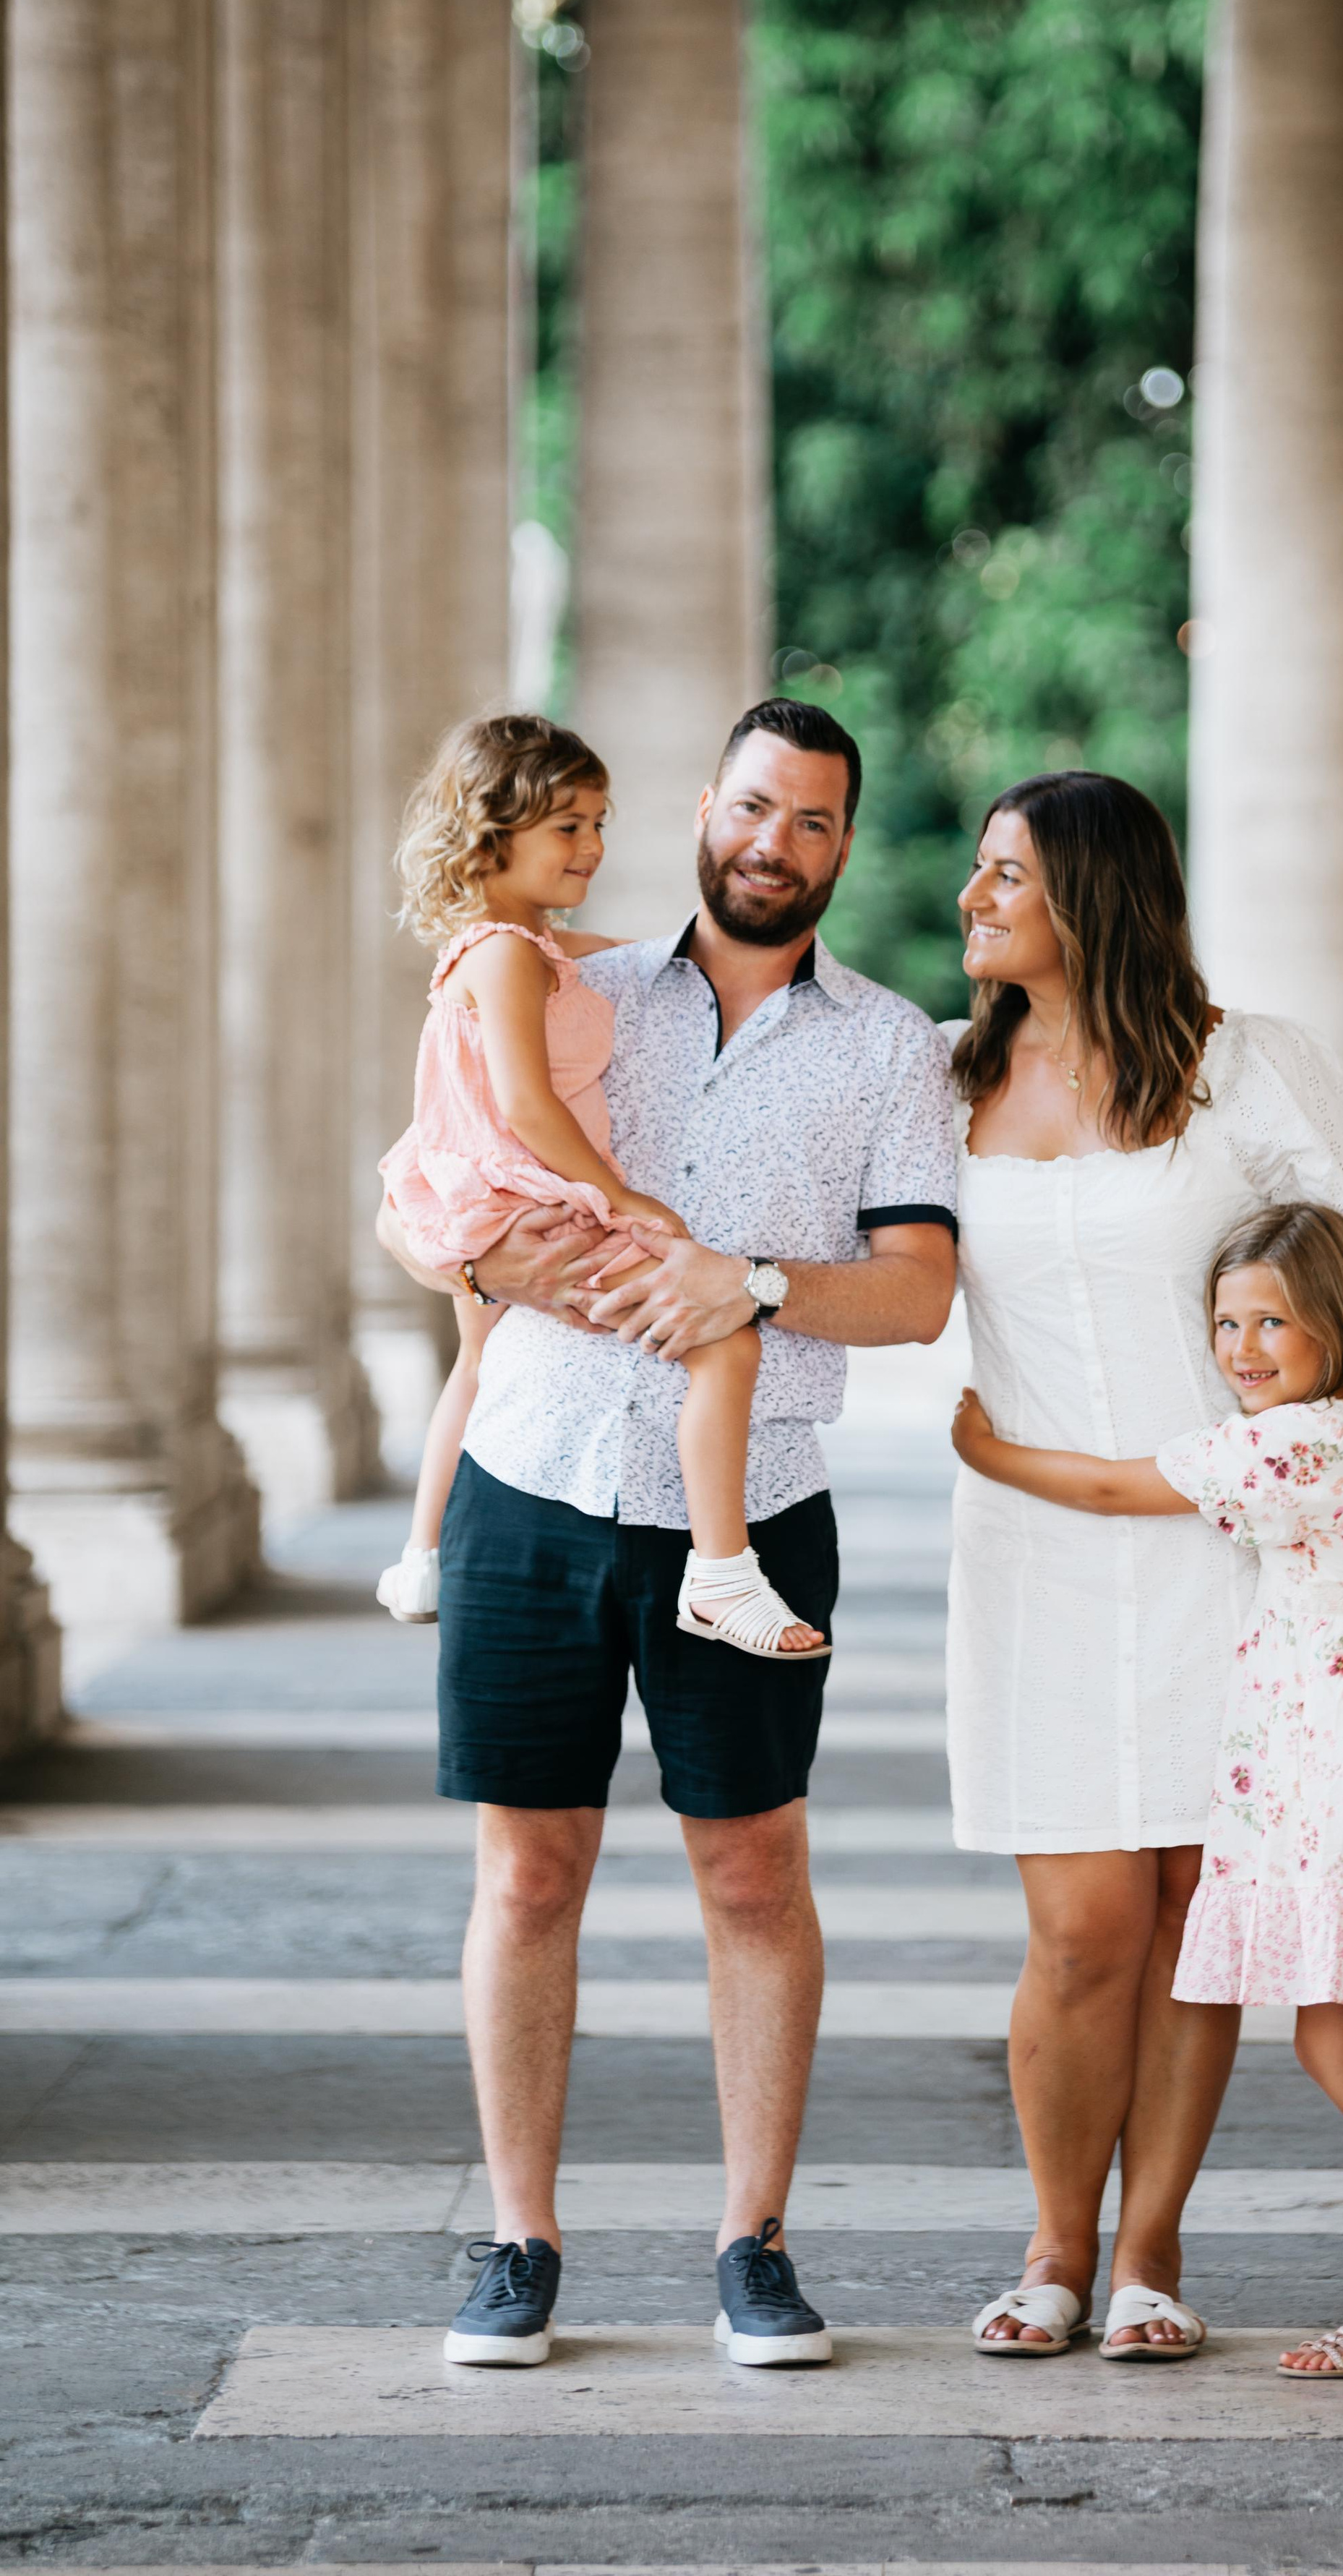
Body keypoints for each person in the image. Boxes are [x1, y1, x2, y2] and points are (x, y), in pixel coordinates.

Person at [374, 699, 958, 2370]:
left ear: (843, 846)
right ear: (707, 811)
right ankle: (517, 2243)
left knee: (754, 1873)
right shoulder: (568, 979)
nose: (774, 845)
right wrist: (495, 1265)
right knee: (527, 1869)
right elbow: (422, 1185)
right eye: (754, 808)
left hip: (752, 1501)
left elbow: (915, 1295)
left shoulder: (891, 1047)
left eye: (815, 823)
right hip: (535, 1474)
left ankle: (752, 2242)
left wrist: (753, 1284)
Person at [944, 771, 1343, 2362]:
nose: (972, 898)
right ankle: (1051, 2249)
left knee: (1188, 1916)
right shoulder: (939, 1080)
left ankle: (1151, 2257)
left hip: (1231, 1558)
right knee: (1078, 1927)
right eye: (976, 872)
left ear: (1090, 896)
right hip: (1034, 1546)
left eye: (1005, 875)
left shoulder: (1246, 1068)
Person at [952, 1199, 1343, 2379]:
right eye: (1226, 1322)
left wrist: (986, 1449)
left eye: (1276, 1321)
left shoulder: (1302, 1443)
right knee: (1332, 2039)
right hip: (1340, 1761)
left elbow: (1118, 1491)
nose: (1243, 1348)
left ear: (1340, 1326)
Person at [377, 714, 820, 1659]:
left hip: (487, 1198)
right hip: (534, 1197)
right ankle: (721, 1575)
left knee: (480, 1363)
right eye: (567, 826)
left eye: (599, 822)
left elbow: (656, 956)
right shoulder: (501, 954)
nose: (593, 846)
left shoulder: (524, 943)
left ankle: (421, 1558)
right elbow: (529, 1106)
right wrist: (627, 1201)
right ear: (494, 828)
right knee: (726, 1338)